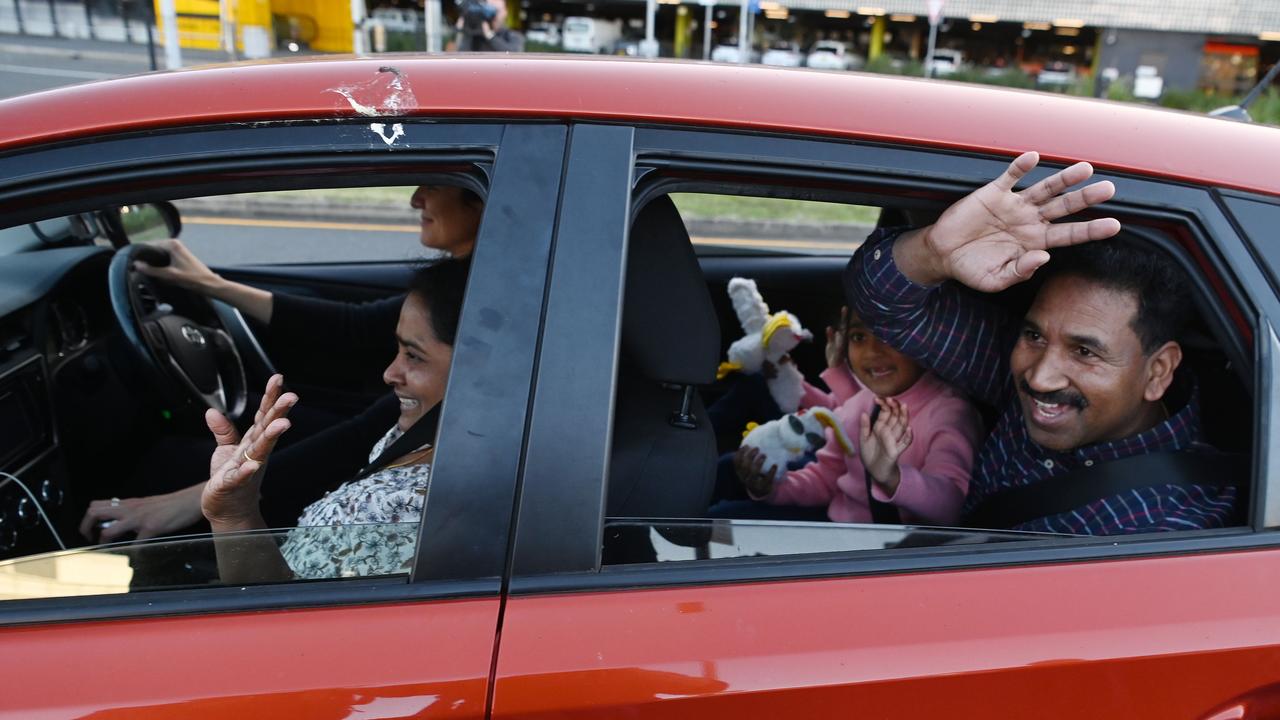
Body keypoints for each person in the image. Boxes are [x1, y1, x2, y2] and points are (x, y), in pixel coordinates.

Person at [845, 151, 1237, 534]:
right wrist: (933, 252)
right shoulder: (1025, 374)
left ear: (1158, 371)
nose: (1040, 378)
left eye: (1084, 352)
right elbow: (886, 307)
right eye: (1033, 335)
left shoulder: (1164, 529)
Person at [79, 185, 482, 542]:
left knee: (163, 465)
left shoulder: (479, 297)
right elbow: (353, 331)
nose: (415, 198)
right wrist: (209, 284)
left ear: (481, 198)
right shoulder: (469, 280)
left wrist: (194, 503)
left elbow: (361, 435)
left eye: (433, 182)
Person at [202, 259, 468, 583]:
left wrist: (233, 519)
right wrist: (235, 512)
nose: (389, 374)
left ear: (476, 369)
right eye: (397, 349)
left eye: (413, 355)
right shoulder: (415, 436)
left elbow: (284, 618)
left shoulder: (413, 509)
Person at [729, 307, 982, 525]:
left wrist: (892, 477)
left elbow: (952, 505)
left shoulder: (949, 413)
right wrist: (773, 488)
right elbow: (827, 479)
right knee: (723, 518)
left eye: (890, 336)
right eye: (859, 337)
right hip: (839, 529)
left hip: (896, 555)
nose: (872, 351)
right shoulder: (861, 403)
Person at [454, 0, 524, 52]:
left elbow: (513, 53)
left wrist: (490, 36)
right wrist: (462, 31)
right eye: (488, 9)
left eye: (497, 11)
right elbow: (460, 55)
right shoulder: (475, 35)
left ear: (505, 12)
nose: (494, 15)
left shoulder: (512, 35)